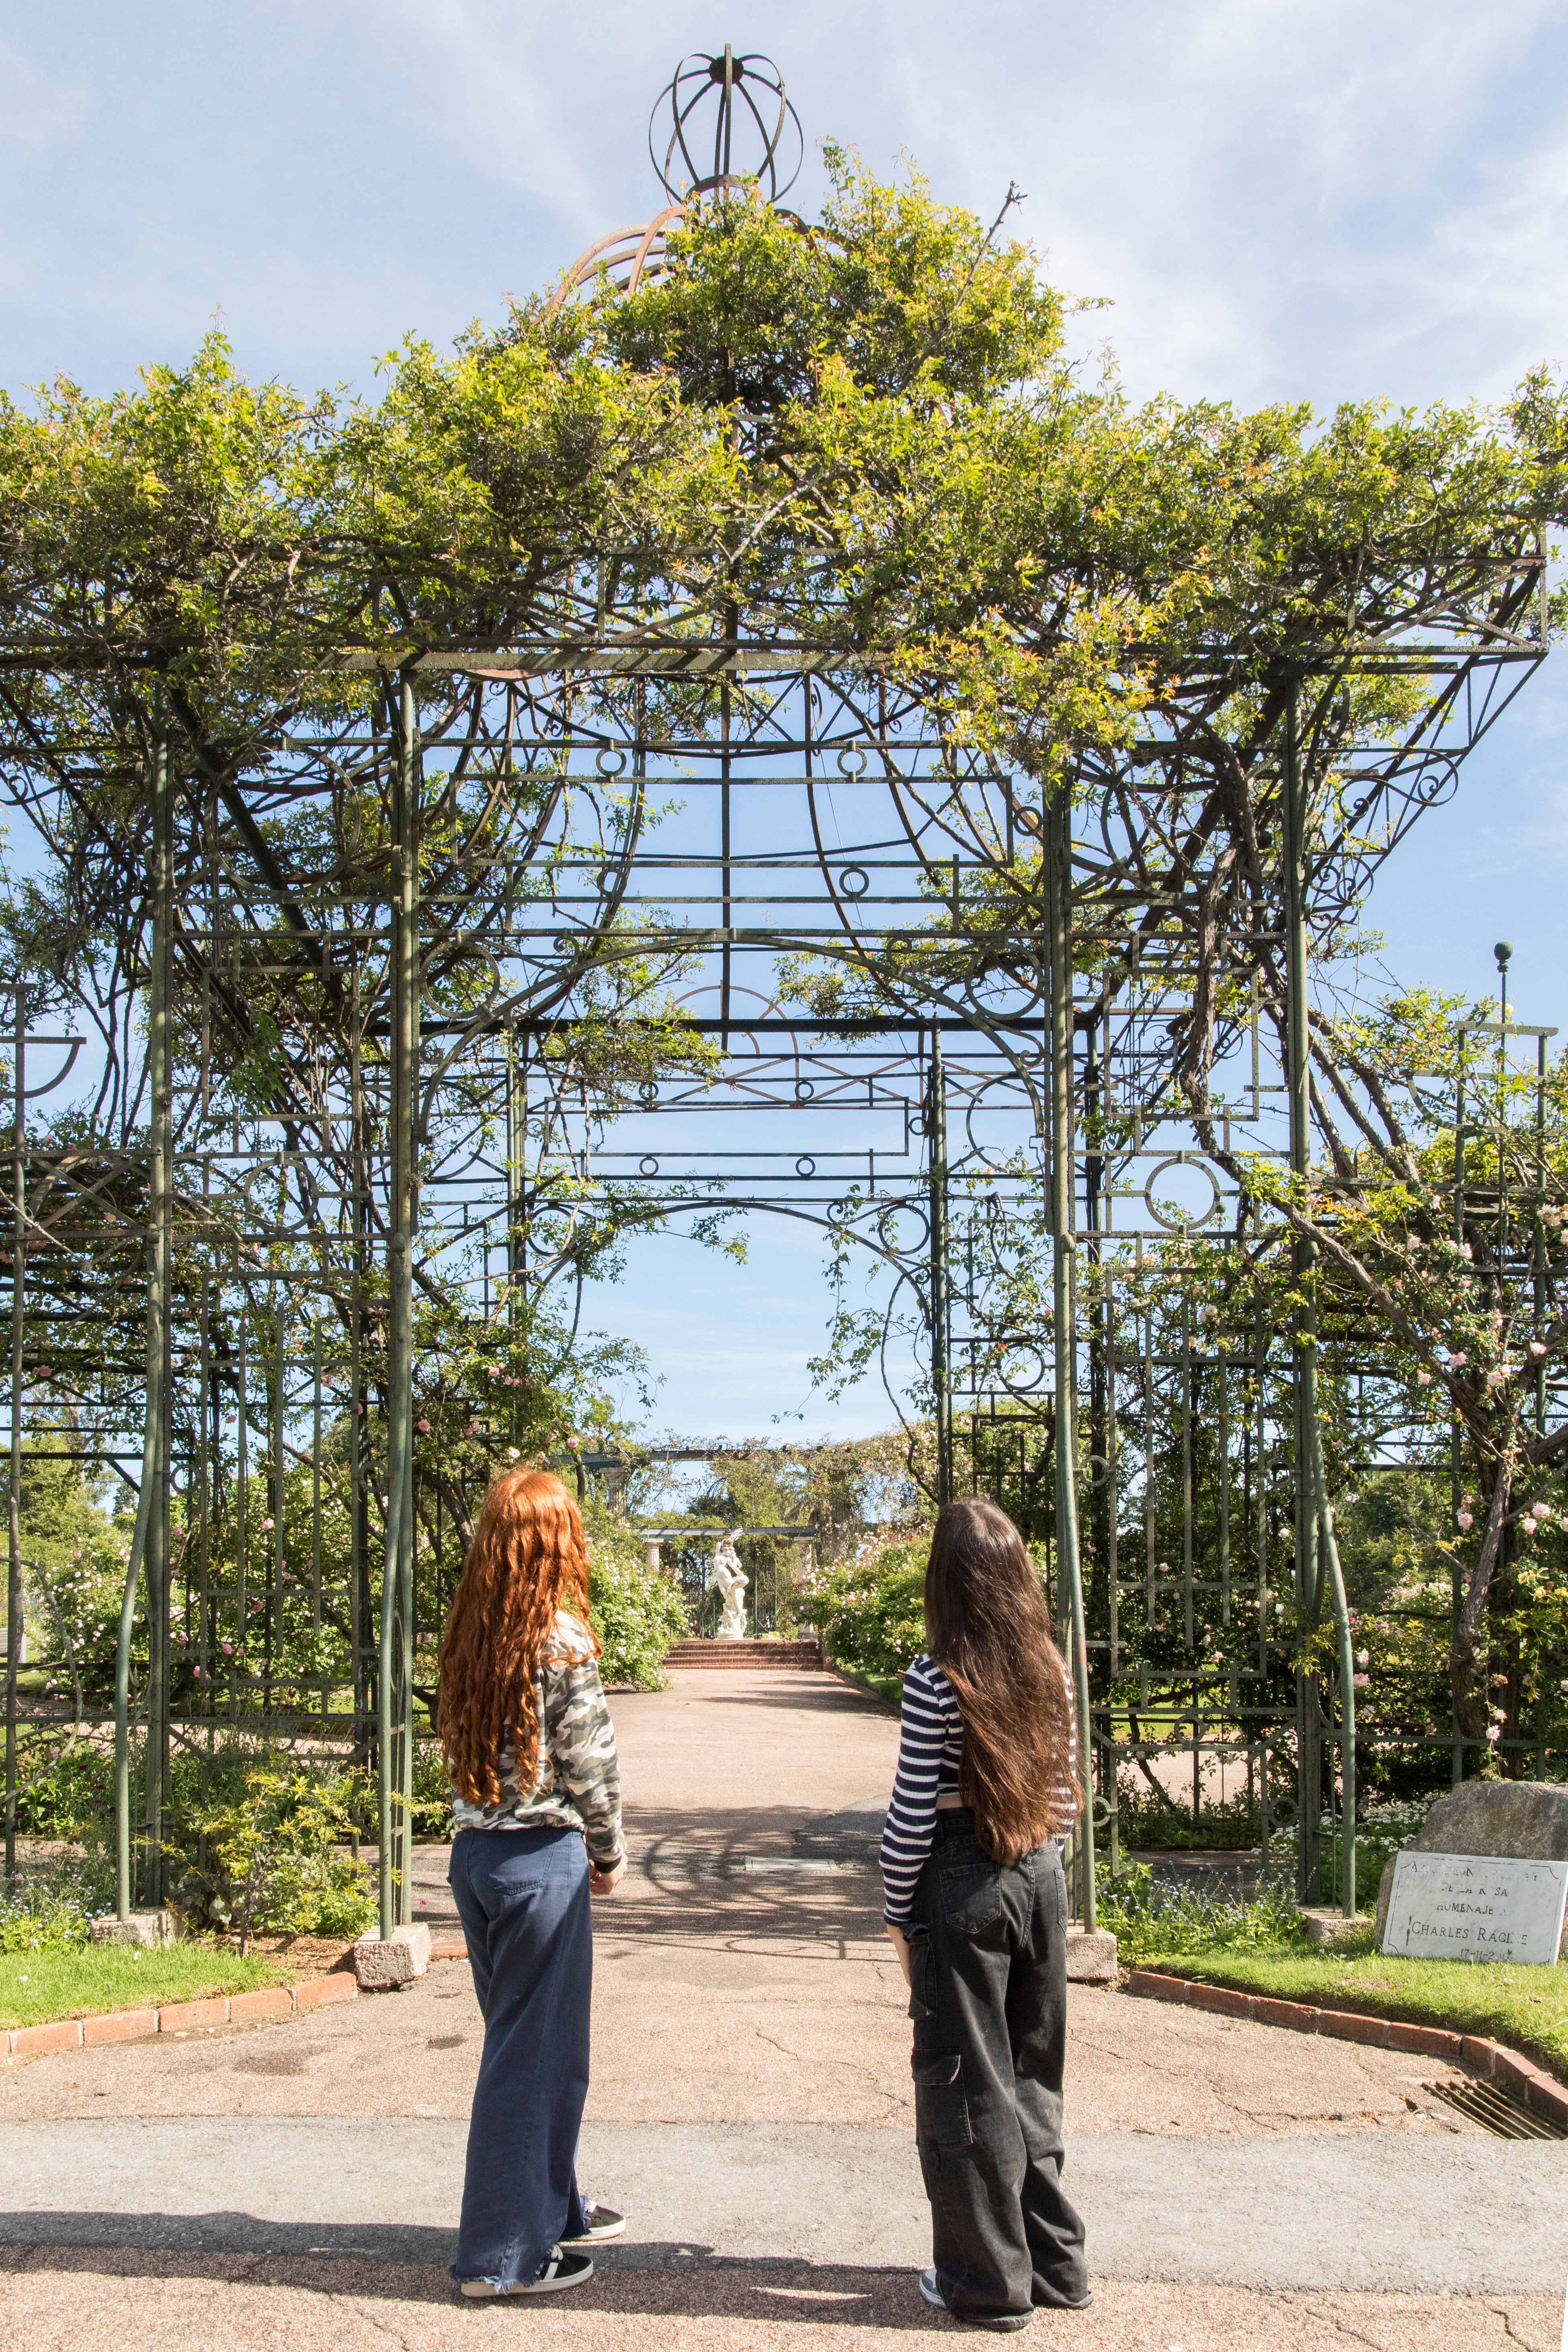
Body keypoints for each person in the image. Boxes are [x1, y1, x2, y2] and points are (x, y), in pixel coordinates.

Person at [879, 1497, 1090, 2331]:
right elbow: (1069, 1794)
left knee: (967, 2085)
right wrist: (1043, 1871)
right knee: (1034, 2074)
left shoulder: (938, 1676)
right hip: (1038, 1871)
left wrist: (900, 1915)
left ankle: (984, 2282)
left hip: (962, 1881)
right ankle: (1054, 2266)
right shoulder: (1049, 1665)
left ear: (948, 1581)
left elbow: (908, 1817)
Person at [438, 1466, 629, 2298]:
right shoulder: (560, 1636)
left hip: (476, 1859)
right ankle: (502, 2255)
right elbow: (592, 1761)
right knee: (534, 2060)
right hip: (541, 1863)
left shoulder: (468, 1631)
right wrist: (611, 1850)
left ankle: (558, 2206)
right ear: (556, 1541)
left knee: (528, 2048)